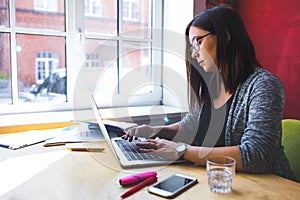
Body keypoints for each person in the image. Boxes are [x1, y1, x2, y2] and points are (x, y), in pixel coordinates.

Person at [122, 6, 295, 180]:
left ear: (225, 36)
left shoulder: (264, 85)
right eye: (191, 46)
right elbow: (189, 127)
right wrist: (156, 130)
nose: (194, 53)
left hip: (271, 187)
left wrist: (181, 151)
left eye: (198, 41)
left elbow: (256, 154)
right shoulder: (213, 86)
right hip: (224, 181)